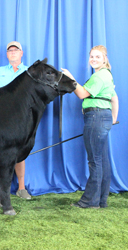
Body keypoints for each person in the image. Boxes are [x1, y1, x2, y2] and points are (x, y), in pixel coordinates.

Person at [61, 45, 119, 209]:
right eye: (92, 56)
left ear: (105, 59)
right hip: (102, 117)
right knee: (102, 160)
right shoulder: (107, 76)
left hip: (95, 118)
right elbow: (114, 99)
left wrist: (70, 78)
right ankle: (101, 200)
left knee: (95, 161)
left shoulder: (99, 76)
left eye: (97, 57)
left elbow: (81, 94)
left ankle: (90, 201)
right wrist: (113, 117)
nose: (94, 59)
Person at [0, 41, 32, 200]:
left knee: (19, 152)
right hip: (1, 119)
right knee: (0, 152)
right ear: (7, 54)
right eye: (10, 50)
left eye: (16, 50)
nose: (13, 52)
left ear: (22, 53)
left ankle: (21, 188)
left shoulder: (29, 72)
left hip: (23, 118)